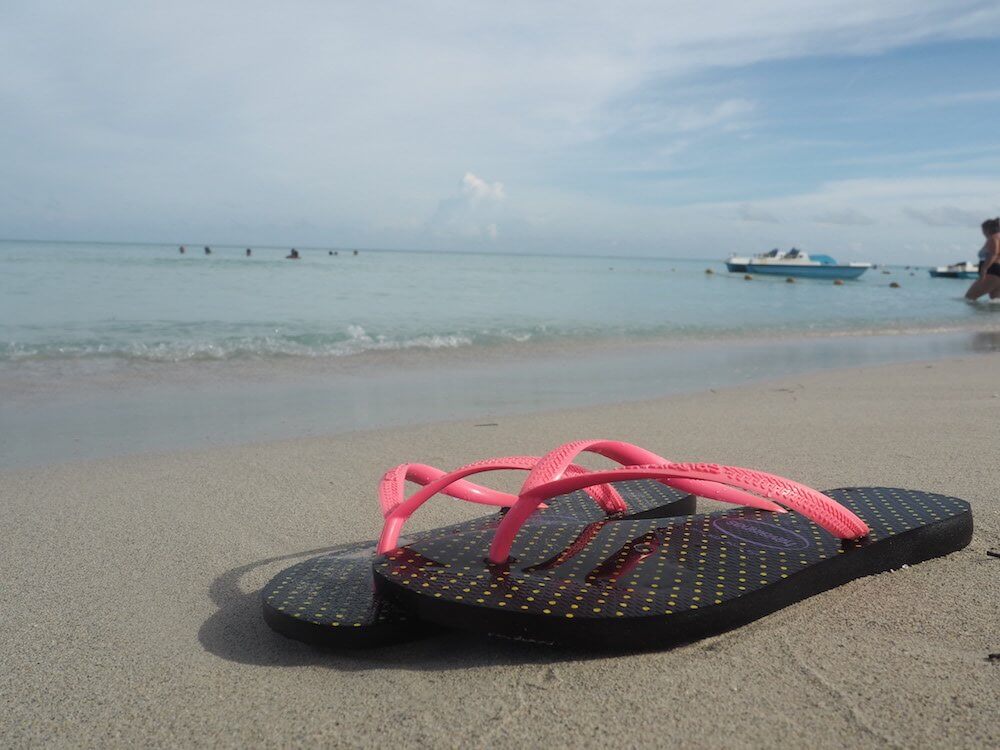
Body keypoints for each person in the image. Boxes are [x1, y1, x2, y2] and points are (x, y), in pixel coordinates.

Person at [965, 218, 1000, 301]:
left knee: (969, 297)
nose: (982, 233)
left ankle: (975, 314)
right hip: (997, 272)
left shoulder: (993, 238)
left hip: (992, 272)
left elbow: (994, 254)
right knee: (995, 303)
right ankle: (983, 314)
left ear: (987, 229)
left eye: (983, 230)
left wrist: (984, 269)